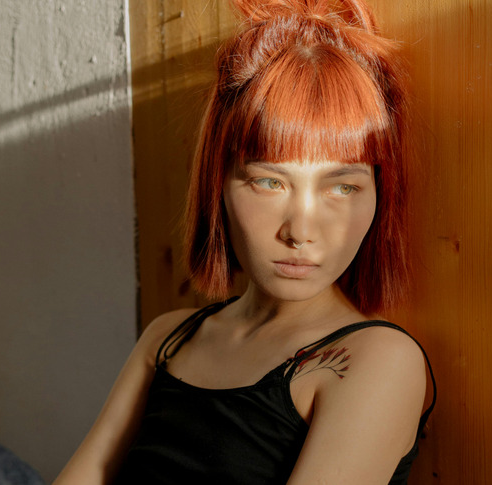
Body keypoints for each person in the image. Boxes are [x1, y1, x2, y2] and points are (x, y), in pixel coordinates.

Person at [54, 0, 436, 484]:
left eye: (343, 187)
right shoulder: (170, 338)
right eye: (269, 182)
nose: (301, 232)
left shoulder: (378, 359)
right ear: (218, 184)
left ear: (380, 195)